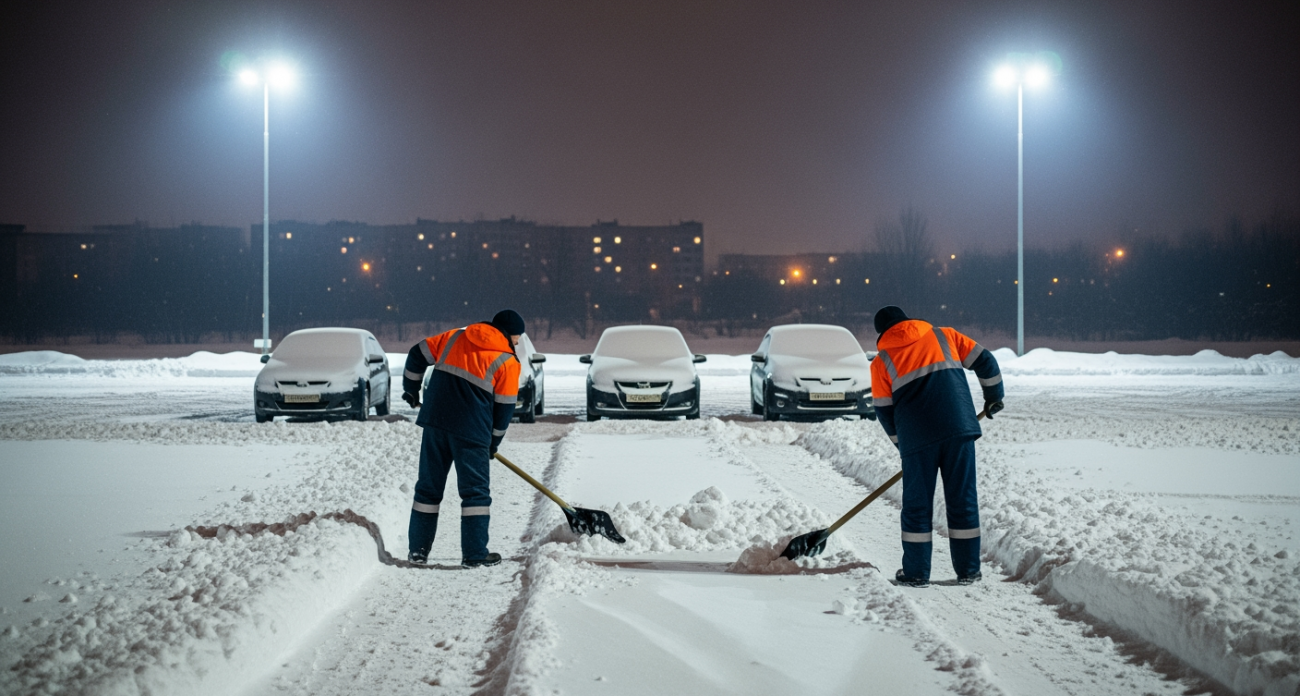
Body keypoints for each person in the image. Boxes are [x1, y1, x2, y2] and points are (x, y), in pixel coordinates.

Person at [870, 305, 1004, 588]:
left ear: (882, 334)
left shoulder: (881, 362)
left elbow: (884, 411)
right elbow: (986, 360)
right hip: (959, 429)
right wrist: (993, 396)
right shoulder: (945, 336)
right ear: (908, 320)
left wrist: (903, 445)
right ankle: (969, 570)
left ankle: (917, 573)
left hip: (917, 440)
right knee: (962, 499)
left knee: (917, 507)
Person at [400, 309, 524, 567]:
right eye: (517, 337)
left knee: (428, 488)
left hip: (435, 422)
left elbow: (416, 353)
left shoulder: (455, 337)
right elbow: (504, 410)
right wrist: (493, 442)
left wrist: (411, 389)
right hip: (472, 432)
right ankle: (475, 554)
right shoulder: (507, 361)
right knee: (475, 494)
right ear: (508, 335)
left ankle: (418, 551)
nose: (518, 342)